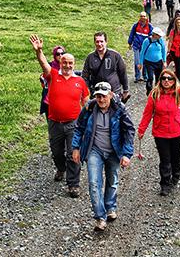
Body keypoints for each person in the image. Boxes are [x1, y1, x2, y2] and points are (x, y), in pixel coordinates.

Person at [30, 35, 88, 198]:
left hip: (73, 124)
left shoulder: (80, 81)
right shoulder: (53, 75)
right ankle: (61, 168)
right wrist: (39, 51)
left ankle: (73, 184)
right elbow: (43, 64)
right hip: (55, 122)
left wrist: (88, 120)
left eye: (70, 63)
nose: (67, 65)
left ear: (74, 64)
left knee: (73, 153)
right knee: (56, 152)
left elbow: (86, 102)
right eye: (64, 62)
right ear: (60, 63)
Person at [72, 81, 135, 232]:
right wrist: (75, 147)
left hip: (114, 150)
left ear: (111, 95)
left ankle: (110, 207)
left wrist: (127, 154)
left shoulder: (120, 109)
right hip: (95, 150)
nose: (101, 100)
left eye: (104, 96)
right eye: (98, 96)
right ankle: (100, 217)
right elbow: (79, 128)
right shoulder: (89, 108)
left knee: (112, 180)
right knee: (94, 183)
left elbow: (129, 131)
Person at [138, 62, 180, 196]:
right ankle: (165, 184)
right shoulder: (154, 95)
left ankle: (175, 176)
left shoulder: (178, 93)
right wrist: (141, 129)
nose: (166, 81)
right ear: (159, 80)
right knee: (165, 159)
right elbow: (147, 114)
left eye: (169, 78)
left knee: (175, 158)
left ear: (173, 80)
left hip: (176, 132)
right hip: (160, 133)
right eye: (163, 78)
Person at [82, 31, 129, 102]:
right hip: (97, 93)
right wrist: (86, 90)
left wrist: (125, 90)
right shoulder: (90, 57)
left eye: (101, 41)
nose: (99, 44)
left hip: (113, 92)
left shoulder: (115, 55)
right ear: (94, 42)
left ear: (106, 42)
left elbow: (122, 73)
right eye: (97, 42)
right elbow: (85, 76)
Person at [40, 45, 66, 118]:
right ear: (54, 55)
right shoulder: (50, 66)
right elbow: (43, 80)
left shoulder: (67, 66)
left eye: (62, 53)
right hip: (50, 101)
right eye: (58, 54)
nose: (60, 55)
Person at [128, 12, 153, 83]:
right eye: (141, 16)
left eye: (144, 16)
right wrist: (130, 43)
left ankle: (145, 76)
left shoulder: (150, 26)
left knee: (145, 62)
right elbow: (131, 34)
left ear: (146, 17)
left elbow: (151, 36)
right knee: (137, 61)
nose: (142, 18)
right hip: (136, 46)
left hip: (145, 48)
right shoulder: (135, 26)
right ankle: (137, 77)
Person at [140, 27, 167, 95]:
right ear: (154, 35)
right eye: (159, 35)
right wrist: (140, 63)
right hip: (149, 63)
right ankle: (149, 91)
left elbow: (163, 50)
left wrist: (164, 61)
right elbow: (142, 52)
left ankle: (158, 91)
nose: (160, 36)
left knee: (159, 78)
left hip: (159, 62)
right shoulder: (147, 41)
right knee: (150, 77)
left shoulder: (160, 40)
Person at [166, 17, 180, 82]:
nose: (179, 24)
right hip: (174, 50)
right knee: (178, 65)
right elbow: (170, 41)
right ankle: (179, 81)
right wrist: (168, 50)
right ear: (175, 23)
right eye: (177, 23)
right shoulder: (173, 31)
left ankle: (174, 75)